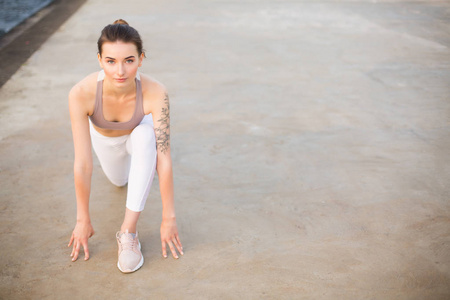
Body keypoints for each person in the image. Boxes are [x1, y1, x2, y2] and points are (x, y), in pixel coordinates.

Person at [67, 19, 183, 273]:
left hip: (138, 142)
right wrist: (82, 219)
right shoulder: (81, 93)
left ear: (141, 59)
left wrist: (169, 217)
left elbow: (164, 158)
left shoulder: (156, 92)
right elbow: (84, 163)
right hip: (107, 145)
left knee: (144, 135)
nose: (120, 71)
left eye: (129, 60)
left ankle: (128, 234)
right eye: (111, 61)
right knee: (120, 181)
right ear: (99, 60)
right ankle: (137, 171)